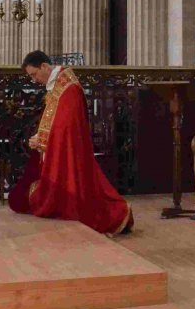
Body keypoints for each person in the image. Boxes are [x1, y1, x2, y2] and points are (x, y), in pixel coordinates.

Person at [8, 51, 133, 235]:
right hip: (56, 146)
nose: (34, 80)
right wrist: (40, 136)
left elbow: (66, 128)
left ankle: (117, 212)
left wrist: (42, 139)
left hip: (70, 150)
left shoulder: (69, 88)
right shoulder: (59, 84)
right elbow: (55, 121)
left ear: (44, 66)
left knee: (80, 199)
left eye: (34, 74)